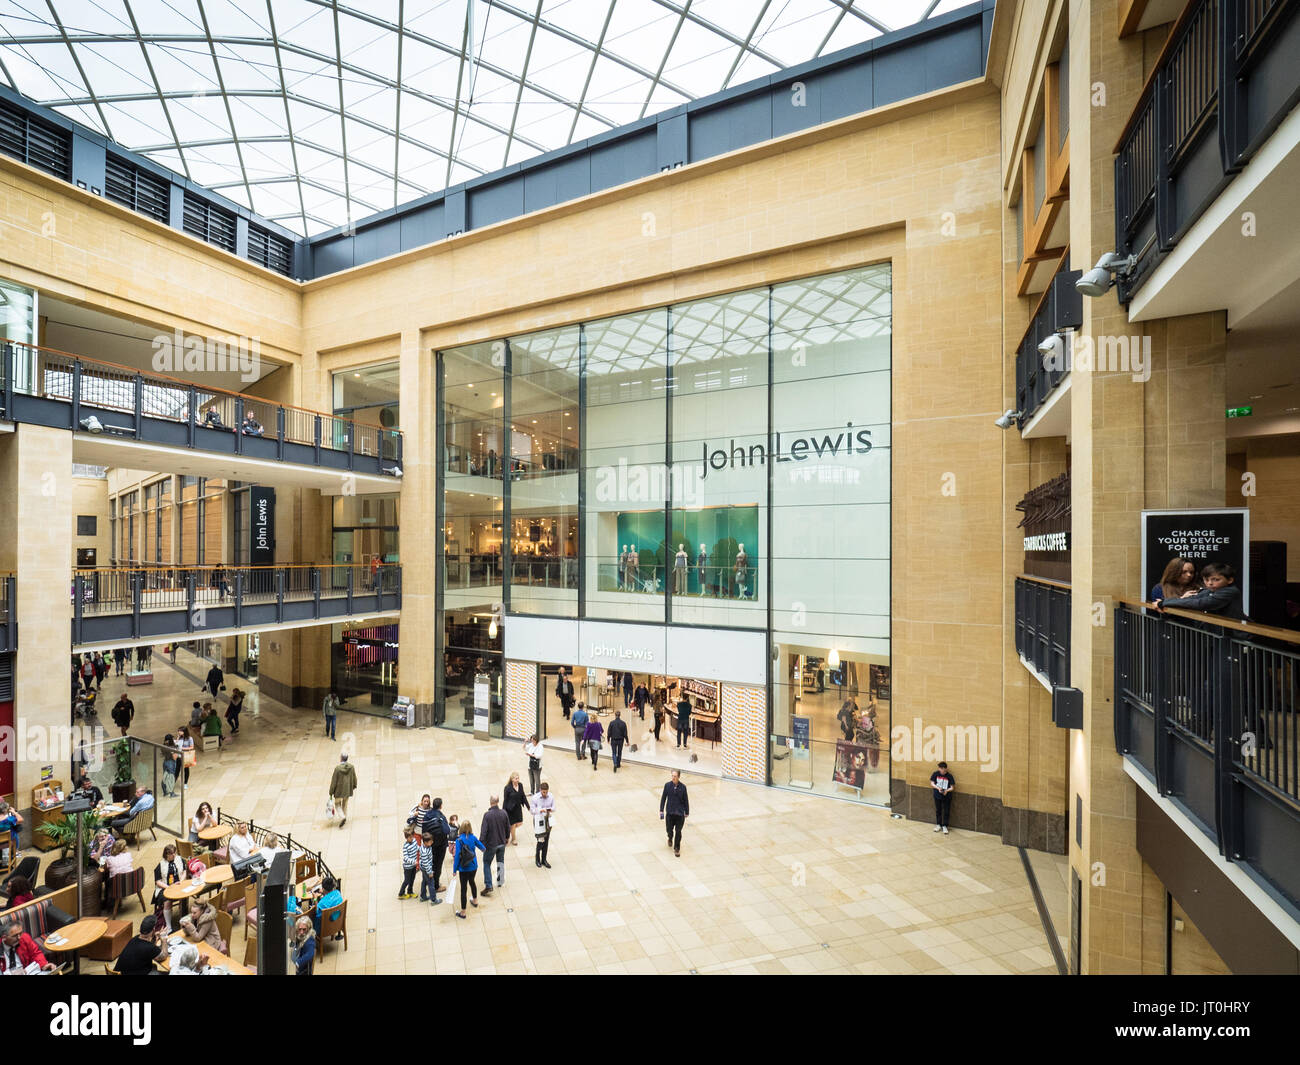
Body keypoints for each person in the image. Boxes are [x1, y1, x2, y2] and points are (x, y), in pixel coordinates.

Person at [1154, 562, 1243, 620]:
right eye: (1206, 580)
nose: (1210, 583)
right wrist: (1168, 601)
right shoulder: (1208, 590)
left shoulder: (1230, 591)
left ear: (1230, 580)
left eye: (1215, 579)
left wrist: (1164, 602)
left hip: (1233, 636)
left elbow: (1201, 603)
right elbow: (1194, 599)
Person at [452, 818, 485, 919]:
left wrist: (454, 870)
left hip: (463, 868)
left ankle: (463, 912)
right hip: (473, 866)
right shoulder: (473, 837)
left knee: (463, 889)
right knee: (472, 882)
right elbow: (483, 848)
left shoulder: (459, 840)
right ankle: (475, 900)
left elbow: (457, 856)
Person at [479, 797, 510, 895]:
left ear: (490, 802)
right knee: (500, 861)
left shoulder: (487, 815)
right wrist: (507, 837)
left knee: (487, 863)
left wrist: (481, 844)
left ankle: (488, 885)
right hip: (501, 842)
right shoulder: (504, 813)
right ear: (498, 802)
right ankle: (500, 881)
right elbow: (507, 827)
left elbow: (484, 831)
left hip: (491, 844)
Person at [153, 845, 187, 928]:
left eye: (174, 853)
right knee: (167, 901)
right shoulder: (161, 865)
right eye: (171, 854)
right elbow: (157, 881)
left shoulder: (180, 860)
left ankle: (184, 917)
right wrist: (168, 887)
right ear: (166, 855)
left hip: (178, 884)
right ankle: (168, 926)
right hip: (165, 887)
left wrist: (181, 881)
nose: (174, 855)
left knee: (185, 894)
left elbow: (185, 871)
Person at [660, 769, 689, 857]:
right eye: (672, 776)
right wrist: (661, 810)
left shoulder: (683, 787)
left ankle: (677, 848)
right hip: (670, 812)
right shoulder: (667, 785)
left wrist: (687, 811)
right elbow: (663, 798)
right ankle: (670, 837)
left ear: (678, 777)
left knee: (678, 831)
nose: (673, 778)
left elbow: (686, 800)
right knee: (669, 829)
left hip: (679, 814)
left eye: (675, 776)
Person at [329, 752, 357, 827]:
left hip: (339, 791)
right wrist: (354, 786)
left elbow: (334, 781)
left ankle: (343, 817)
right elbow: (354, 777)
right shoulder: (351, 767)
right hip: (347, 790)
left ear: (341, 758)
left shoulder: (337, 769)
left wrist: (331, 792)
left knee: (337, 804)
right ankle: (344, 817)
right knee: (345, 804)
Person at [531, 783, 554, 869]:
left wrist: (549, 809)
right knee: (540, 840)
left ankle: (544, 859)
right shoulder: (535, 798)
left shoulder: (551, 796)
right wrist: (540, 810)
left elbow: (554, 807)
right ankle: (537, 858)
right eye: (543, 792)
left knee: (546, 840)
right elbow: (532, 810)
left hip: (547, 819)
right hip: (538, 820)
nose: (545, 794)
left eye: (546, 792)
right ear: (540, 790)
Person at [503, 772, 528, 845]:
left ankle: (508, 833)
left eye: (518, 778)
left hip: (518, 808)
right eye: (516, 778)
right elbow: (505, 800)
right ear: (512, 779)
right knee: (513, 824)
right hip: (510, 809)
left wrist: (528, 807)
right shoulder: (507, 788)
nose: (517, 780)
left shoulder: (520, 785)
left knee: (519, 823)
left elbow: (523, 796)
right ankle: (513, 839)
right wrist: (504, 811)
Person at [931, 761, 955, 835]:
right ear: (939, 768)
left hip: (947, 796)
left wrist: (947, 791)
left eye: (944, 769)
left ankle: (945, 825)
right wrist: (938, 788)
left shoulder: (949, 776)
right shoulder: (935, 774)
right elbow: (932, 783)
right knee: (938, 810)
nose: (943, 771)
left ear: (946, 769)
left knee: (946, 811)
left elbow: (952, 787)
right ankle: (938, 824)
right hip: (937, 795)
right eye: (941, 769)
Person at [399, 826, 419, 900]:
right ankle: (401, 893)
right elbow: (406, 858)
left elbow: (417, 847)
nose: (412, 838)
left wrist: (422, 849)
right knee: (407, 880)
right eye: (410, 837)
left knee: (412, 879)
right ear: (406, 838)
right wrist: (413, 861)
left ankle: (410, 891)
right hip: (408, 867)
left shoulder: (414, 841)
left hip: (413, 866)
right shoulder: (405, 846)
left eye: (412, 837)